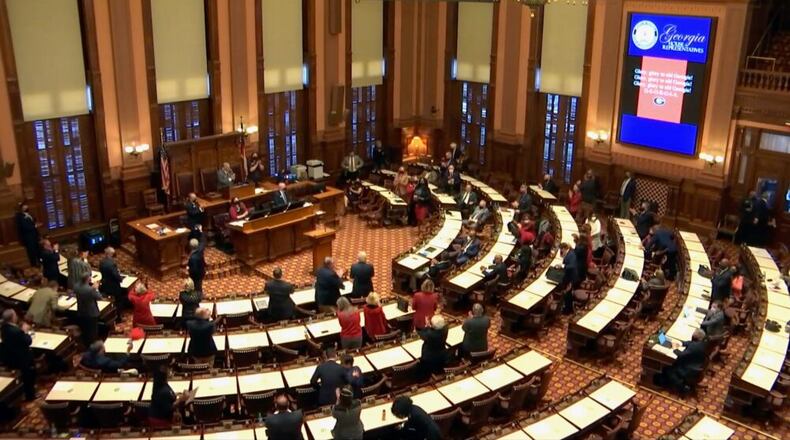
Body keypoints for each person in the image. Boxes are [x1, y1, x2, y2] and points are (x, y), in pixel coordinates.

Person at [0, 309, 36, 400]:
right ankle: (30, 396)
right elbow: (28, 341)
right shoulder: (16, 331)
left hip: (10, 356)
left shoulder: (4, 327)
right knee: (28, 376)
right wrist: (25, 331)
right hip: (22, 358)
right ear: (12, 318)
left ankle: (24, 393)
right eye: (15, 315)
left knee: (24, 376)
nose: (16, 316)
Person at [661, 329, 707, 394]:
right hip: (696, 365)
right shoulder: (701, 343)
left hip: (688, 370)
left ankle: (680, 386)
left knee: (667, 368)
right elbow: (690, 343)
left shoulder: (693, 347)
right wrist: (681, 343)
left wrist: (675, 349)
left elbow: (681, 355)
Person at [75, 273, 103, 345]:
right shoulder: (90, 290)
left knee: (85, 330)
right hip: (91, 313)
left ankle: (86, 344)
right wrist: (96, 288)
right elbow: (99, 297)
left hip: (81, 311)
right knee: (92, 331)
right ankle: (93, 345)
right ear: (88, 279)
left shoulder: (76, 286)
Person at [15, 202, 40, 267]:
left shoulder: (29, 214)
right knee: (31, 253)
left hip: (34, 236)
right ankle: (34, 265)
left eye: (26, 206)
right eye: (24, 207)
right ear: (21, 208)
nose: (26, 207)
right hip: (28, 238)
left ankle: (39, 263)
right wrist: (35, 226)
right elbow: (24, 227)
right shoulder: (19, 217)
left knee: (37, 250)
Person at [559, 242, 579, 314]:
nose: (561, 252)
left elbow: (572, 266)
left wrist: (563, 266)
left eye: (561, 250)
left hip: (571, 278)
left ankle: (568, 310)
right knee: (567, 294)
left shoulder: (571, 255)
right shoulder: (569, 253)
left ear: (564, 249)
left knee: (568, 294)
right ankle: (567, 308)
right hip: (568, 276)